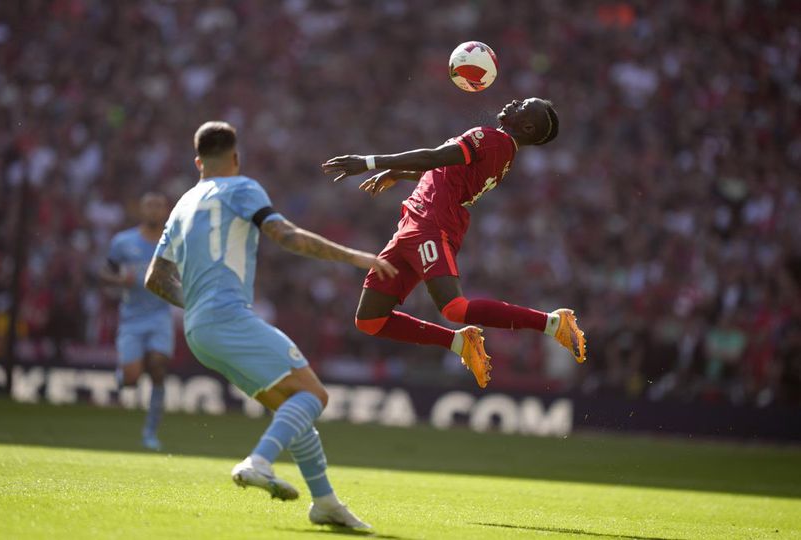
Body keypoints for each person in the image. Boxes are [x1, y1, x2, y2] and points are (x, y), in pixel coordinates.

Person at [145, 121, 467, 530]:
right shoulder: (242, 187)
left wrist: (196, 305)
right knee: (313, 395)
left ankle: (325, 503)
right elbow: (288, 236)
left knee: (290, 406)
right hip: (228, 317)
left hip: (197, 330)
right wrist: (356, 258)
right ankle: (258, 462)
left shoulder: (182, 205)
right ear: (236, 158)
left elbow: (154, 278)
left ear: (197, 161)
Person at [322, 97, 587, 388]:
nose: (514, 102)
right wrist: (400, 172)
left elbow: (435, 158)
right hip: (412, 225)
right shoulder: (503, 154)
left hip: (430, 225)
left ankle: (552, 323)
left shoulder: (491, 139)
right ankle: (460, 343)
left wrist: (369, 162)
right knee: (371, 320)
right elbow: (447, 173)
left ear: (526, 125)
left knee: (454, 308)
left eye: (522, 105)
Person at [100, 192, 173, 451]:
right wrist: (120, 281)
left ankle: (150, 433)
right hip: (132, 318)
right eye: (149, 206)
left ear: (166, 211)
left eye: (159, 206)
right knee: (132, 379)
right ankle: (125, 375)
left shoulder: (173, 242)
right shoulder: (123, 242)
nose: (154, 210)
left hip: (160, 316)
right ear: (141, 211)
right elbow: (104, 273)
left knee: (158, 366)